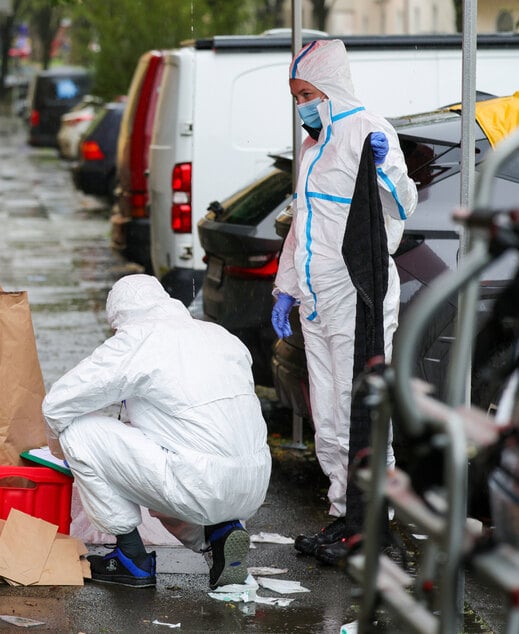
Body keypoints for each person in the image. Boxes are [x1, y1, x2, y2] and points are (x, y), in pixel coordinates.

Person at [270, 39, 418, 564]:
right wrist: (286, 287)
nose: (301, 106)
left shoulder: (370, 131)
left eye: (306, 94)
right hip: (318, 299)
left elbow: (404, 204)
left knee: (362, 413)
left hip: (359, 295)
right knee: (328, 417)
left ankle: (373, 523)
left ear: (330, 88)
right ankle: (343, 515)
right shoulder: (312, 148)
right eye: (296, 97)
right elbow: (302, 225)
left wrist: (384, 169)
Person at [42, 274, 272, 589]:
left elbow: (57, 404)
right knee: (178, 450)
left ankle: (130, 558)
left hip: (197, 481)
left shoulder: (138, 339)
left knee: (78, 432)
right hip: (253, 483)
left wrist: (63, 452)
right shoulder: (221, 336)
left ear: (120, 318)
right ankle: (220, 536)